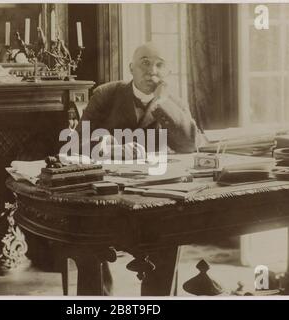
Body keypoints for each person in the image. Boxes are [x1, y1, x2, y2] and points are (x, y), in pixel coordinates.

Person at [75, 42, 198, 296]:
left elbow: (188, 144)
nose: (152, 70)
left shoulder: (173, 102)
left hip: (153, 195)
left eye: (159, 64)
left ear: (168, 73)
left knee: (168, 237)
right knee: (88, 239)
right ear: (131, 67)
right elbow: (77, 141)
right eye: (145, 62)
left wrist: (162, 102)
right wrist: (106, 145)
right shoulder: (106, 94)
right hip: (107, 195)